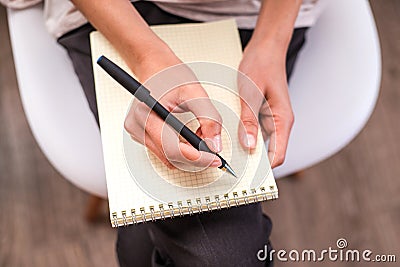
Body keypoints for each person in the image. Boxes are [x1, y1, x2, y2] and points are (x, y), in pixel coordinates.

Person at [2, 0, 325, 266]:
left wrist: (271, 41)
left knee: (152, 245)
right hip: (117, 14)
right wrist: (148, 57)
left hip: (259, 14)